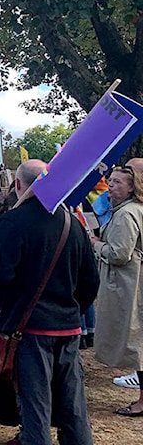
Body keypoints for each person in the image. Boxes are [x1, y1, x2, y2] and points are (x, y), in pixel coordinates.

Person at [0, 160, 99, 445]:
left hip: (30, 329)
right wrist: (72, 310)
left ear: (18, 185)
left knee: (35, 405)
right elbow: (90, 280)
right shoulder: (71, 220)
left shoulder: (14, 221)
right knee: (73, 406)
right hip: (66, 325)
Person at [90, 164, 143, 416]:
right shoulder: (130, 210)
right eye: (110, 180)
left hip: (130, 285)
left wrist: (96, 244)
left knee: (137, 345)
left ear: (132, 187)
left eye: (118, 182)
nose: (111, 185)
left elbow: (119, 254)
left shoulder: (126, 214)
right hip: (133, 282)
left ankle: (142, 401)